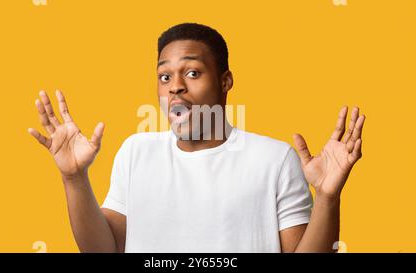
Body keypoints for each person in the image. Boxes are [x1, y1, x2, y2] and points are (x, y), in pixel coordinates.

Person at [28, 23, 365, 253]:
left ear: (225, 81)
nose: (175, 85)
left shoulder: (274, 159)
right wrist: (73, 178)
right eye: (164, 75)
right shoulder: (136, 151)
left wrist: (327, 198)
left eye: (192, 72)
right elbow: (106, 248)